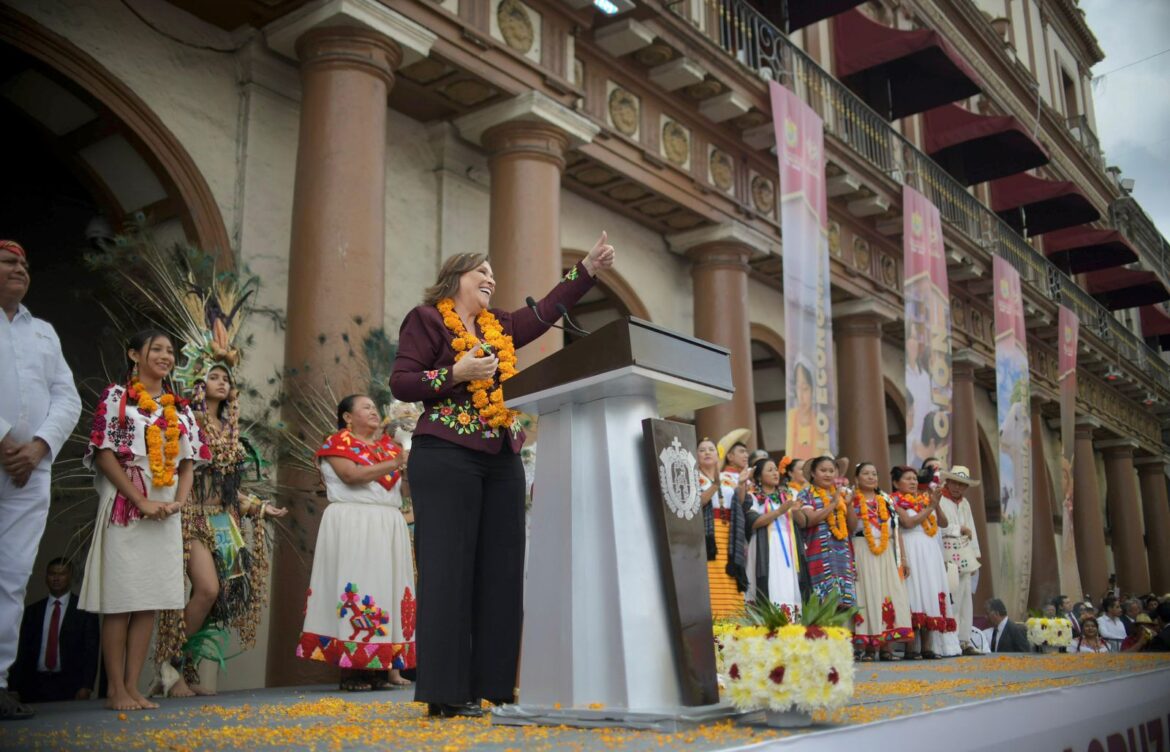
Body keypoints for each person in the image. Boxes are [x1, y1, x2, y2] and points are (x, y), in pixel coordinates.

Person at [390, 234, 614, 718]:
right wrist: (455, 372)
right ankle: (446, 693)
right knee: (449, 571)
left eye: (493, 274)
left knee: (502, 569)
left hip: (500, 455)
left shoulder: (500, 327)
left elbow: (547, 311)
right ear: (455, 280)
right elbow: (402, 382)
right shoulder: (427, 320)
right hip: (445, 453)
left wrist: (588, 270)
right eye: (482, 272)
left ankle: (492, 686)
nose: (491, 279)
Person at [78, 330, 208, 711]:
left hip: (166, 505)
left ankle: (133, 686)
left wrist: (178, 502)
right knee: (122, 599)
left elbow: (188, 462)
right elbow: (104, 454)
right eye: (157, 349)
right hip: (128, 499)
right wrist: (140, 500)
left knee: (148, 599)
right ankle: (115, 688)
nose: (166, 356)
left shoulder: (180, 409)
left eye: (171, 350)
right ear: (134, 354)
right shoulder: (117, 398)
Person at [154, 364, 286, 698]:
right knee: (208, 590)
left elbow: (229, 489)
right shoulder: (188, 422)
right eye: (214, 377)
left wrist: (259, 507)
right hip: (192, 516)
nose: (222, 382)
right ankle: (168, 667)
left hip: (223, 522)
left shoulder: (228, 429)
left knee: (222, 600)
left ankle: (185, 668)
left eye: (226, 378)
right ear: (198, 384)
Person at [0, 240, 82, 721]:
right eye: (9, 263)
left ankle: (0, 681)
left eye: (25, 265)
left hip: (30, 470)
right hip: (9, 456)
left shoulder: (45, 332)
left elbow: (67, 399)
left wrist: (38, 446)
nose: (20, 270)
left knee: (11, 577)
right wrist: (5, 440)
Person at [298, 395, 415, 691]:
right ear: (348, 417)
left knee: (387, 591)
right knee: (357, 588)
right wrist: (395, 461)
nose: (373, 411)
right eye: (366, 407)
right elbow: (351, 476)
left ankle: (383, 666)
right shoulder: (336, 444)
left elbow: (404, 491)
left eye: (375, 408)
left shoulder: (388, 448)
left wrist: (409, 466)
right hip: (354, 522)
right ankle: (352, 670)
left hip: (388, 523)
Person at [890, 466, 958, 659]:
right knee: (913, 594)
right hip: (911, 547)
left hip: (930, 550)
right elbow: (908, 523)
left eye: (914, 479)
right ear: (896, 483)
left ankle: (928, 647)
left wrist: (935, 504)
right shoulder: (894, 500)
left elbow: (943, 523)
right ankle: (911, 649)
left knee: (929, 594)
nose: (912, 482)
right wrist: (930, 507)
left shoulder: (926, 500)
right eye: (907, 479)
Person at [9, 559, 99, 703]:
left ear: (70, 576)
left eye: (62, 574)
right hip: (33, 684)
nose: (56, 578)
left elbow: (91, 651)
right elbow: (20, 649)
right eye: (52, 574)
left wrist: (87, 685)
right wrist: (13, 686)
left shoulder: (84, 611)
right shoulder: (32, 611)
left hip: (70, 685)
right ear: (46, 577)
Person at [849, 462, 913, 661]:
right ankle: (869, 647)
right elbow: (849, 528)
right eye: (866, 473)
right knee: (868, 594)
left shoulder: (885, 500)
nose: (871, 477)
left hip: (886, 551)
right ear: (857, 478)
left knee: (888, 593)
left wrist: (902, 557)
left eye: (874, 473)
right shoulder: (852, 500)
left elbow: (896, 530)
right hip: (862, 549)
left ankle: (886, 647)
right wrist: (848, 503)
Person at [794, 456, 856, 608]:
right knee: (822, 606)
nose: (828, 474)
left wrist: (849, 505)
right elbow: (810, 520)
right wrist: (833, 504)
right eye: (823, 470)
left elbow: (852, 527)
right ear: (813, 473)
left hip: (842, 554)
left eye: (831, 471)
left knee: (843, 607)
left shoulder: (841, 493)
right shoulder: (806, 493)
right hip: (818, 554)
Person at [744, 458, 804, 614]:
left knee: (789, 585)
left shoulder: (790, 494)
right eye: (769, 470)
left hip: (789, 544)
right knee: (770, 582)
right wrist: (779, 511)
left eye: (776, 469)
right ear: (758, 476)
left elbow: (802, 523)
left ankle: (790, 625)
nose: (775, 473)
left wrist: (796, 511)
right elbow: (753, 523)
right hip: (765, 545)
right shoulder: (753, 496)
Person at [696, 437, 746, 619]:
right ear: (696, 456)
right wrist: (714, 485)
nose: (707, 452)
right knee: (713, 577)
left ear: (718, 456)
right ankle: (717, 629)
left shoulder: (728, 478)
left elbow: (739, 503)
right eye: (702, 450)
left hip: (730, 535)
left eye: (711, 449)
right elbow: (697, 504)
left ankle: (735, 628)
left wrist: (741, 484)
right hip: (709, 535)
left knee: (731, 575)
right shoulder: (694, 478)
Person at [937, 465, 982, 655]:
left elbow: (972, 529)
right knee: (951, 596)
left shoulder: (965, 504)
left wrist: (975, 555)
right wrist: (958, 529)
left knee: (965, 597)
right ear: (947, 481)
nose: (957, 488)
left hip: (964, 553)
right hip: (946, 552)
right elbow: (938, 527)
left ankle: (964, 639)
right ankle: (950, 638)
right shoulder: (939, 500)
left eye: (962, 485)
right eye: (954, 483)